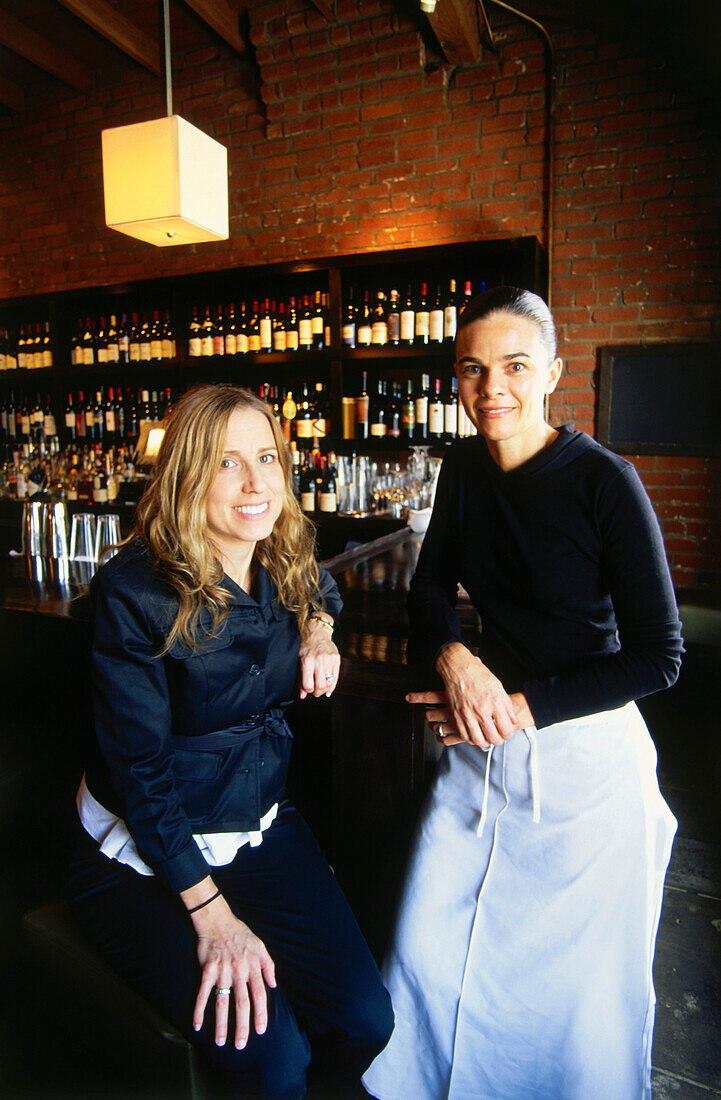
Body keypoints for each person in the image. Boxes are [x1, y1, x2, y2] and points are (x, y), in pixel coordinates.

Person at [362, 287, 683, 1100]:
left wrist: (520, 705)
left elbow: (658, 657)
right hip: (481, 748)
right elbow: (428, 593)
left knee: (568, 997)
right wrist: (455, 658)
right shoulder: (463, 467)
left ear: (552, 374)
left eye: (512, 366)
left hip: (583, 763)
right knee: (432, 949)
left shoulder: (606, 482)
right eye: (471, 370)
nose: (490, 387)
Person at [69, 384, 393, 1099]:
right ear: (186, 474)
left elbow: (321, 590)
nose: (256, 484)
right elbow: (141, 776)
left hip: (255, 822)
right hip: (149, 848)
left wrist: (318, 633)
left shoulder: (278, 549)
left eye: (267, 458)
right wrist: (214, 918)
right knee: (273, 1062)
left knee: (366, 1020)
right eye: (225, 463)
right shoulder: (136, 591)